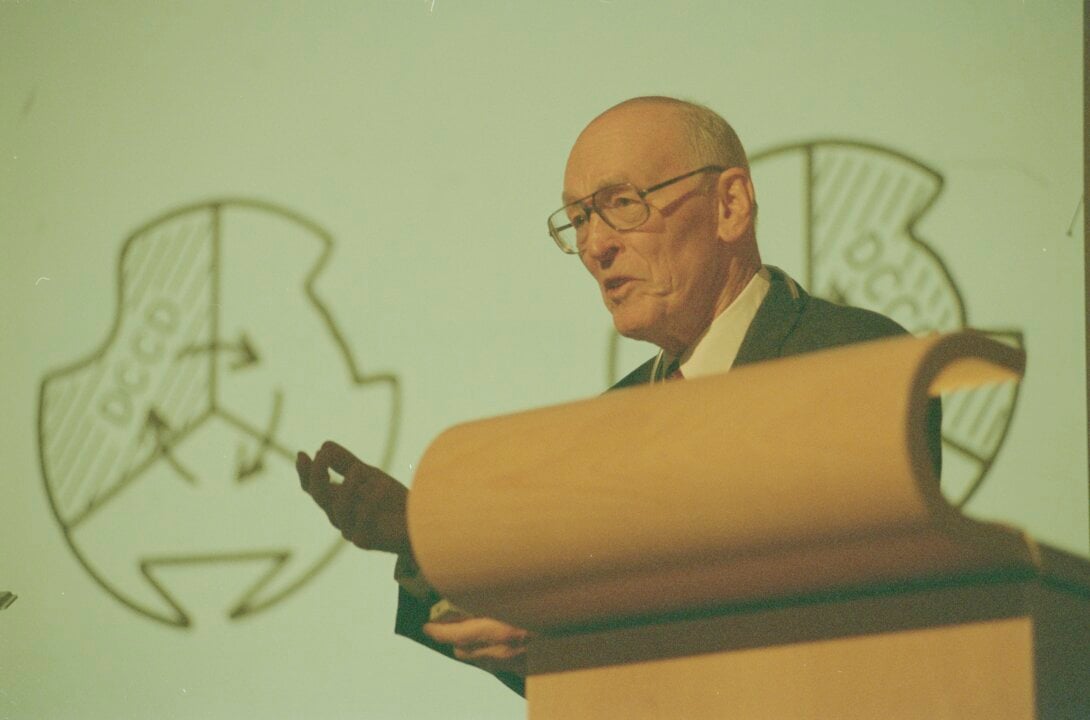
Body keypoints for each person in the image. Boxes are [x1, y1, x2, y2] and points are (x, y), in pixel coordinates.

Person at [296, 96, 942, 698]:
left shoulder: (853, 359)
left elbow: (829, 612)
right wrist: (424, 536)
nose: (595, 245)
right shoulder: (610, 419)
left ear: (730, 205)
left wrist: (582, 638)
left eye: (621, 204)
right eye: (578, 218)